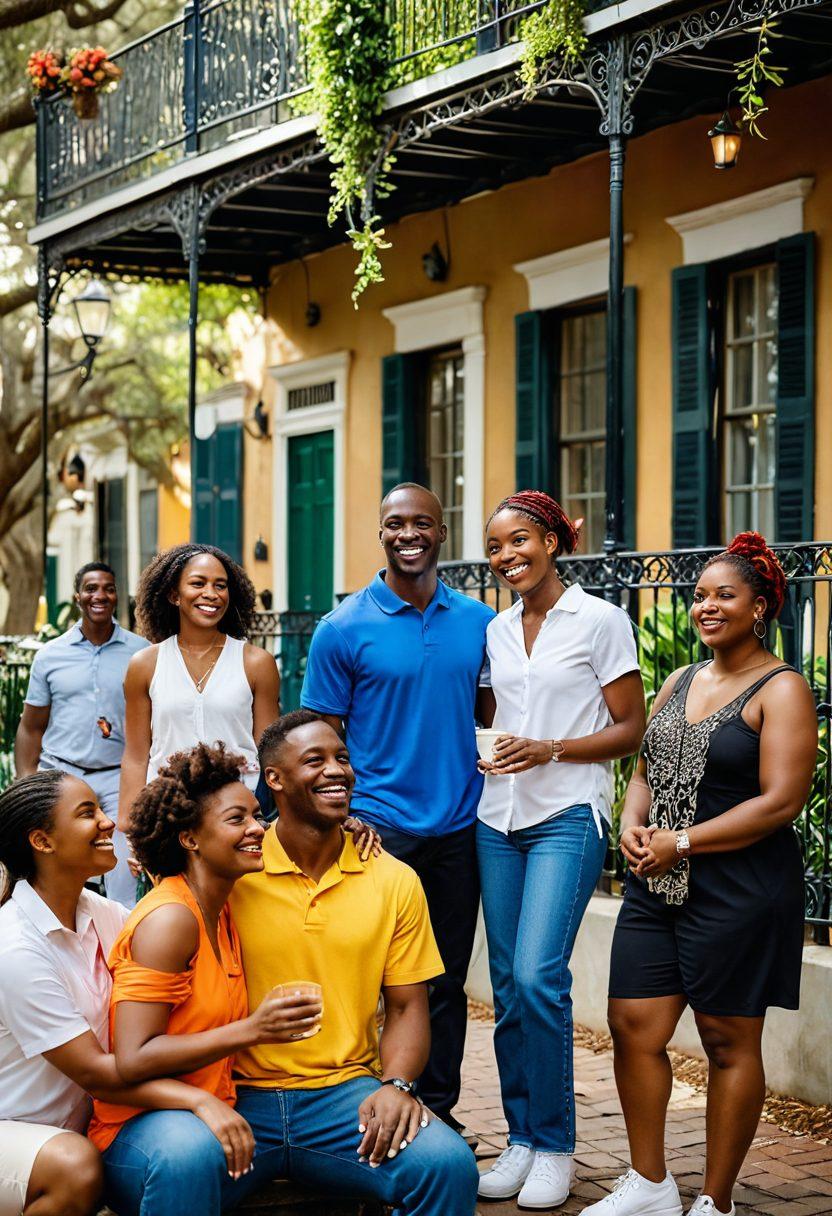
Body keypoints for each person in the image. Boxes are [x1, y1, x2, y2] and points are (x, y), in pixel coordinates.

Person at [583, 532, 817, 1216]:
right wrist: (633, 821)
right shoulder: (681, 680)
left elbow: (780, 800)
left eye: (725, 595)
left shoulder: (783, 687)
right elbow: (646, 769)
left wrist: (680, 840)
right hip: (657, 885)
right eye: (699, 595)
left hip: (740, 892)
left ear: (761, 606)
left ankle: (715, 1201)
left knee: (726, 1039)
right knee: (632, 1024)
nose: (706, 606)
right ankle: (650, 1184)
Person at [227, 709, 480, 1216]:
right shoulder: (234, 869)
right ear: (273, 778)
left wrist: (398, 1086)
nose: (336, 770)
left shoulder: (393, 879)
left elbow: (409, 1007)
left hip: (346, 1100)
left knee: (447, 1165)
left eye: (342, 758)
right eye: (314, 760)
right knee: (172, 1167)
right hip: (234, 1097)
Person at [300, 482, 494, 1134]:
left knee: (443, 983)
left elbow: (490, 713)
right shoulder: (342, 628)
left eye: (421, 523)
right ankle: (354, 1106)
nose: (407, 534)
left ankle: (435, 1114)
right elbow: (318, 740)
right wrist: (339, 814)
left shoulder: (477, 622)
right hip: (375, 827)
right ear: (380, 532)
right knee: (366, 979)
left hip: (460, 828)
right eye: (394, 523)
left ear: (442, 532)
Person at [475, 490, 646, 1209]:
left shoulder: (600, 620)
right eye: (495, 547)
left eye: (519, 541)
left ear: (551, 540)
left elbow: (630, 726)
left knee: (541, 977)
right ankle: (520, 1138)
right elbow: (491, 711)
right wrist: (492, 746)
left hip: (567, 814)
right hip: (497, 818)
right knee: (509, 987)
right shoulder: (497, 629)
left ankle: (554, 1146)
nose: (508, 556)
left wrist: (547, 748)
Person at [0, 770, 253, 1216]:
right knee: (74, 1168)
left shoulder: (101, 912)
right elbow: (98, 1073)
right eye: (86, 813)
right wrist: (197, 1098)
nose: (108, 822)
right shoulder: (16, 947)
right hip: (16, 1129)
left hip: (80, 1124)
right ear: (42, 841)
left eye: (101, 808)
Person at [89, 742, 323, 1216]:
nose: (258, 829)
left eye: (258, 816)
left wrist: (351, 827)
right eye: (237, 820)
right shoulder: (172, 919)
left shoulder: (223, 904)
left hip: (211, 1106)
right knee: (190, 1154)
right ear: (190, 839)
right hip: (139, 1128)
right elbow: (133, 1058)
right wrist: (254, 1030)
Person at [118, 544, 280, 831]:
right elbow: (135, 756)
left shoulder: (257, 663)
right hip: (167, 813)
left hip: (240, 814)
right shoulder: (144, 664)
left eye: (221, 585)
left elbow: (269, 752)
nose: (211, 594)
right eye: (198, 583)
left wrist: (272, 818)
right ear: (173, 595)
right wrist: (131, 827)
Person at [14, 562, 149, 907]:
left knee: (122, 872)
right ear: (78, 596)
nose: (99, 595)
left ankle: (122, 948)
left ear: (117, 595)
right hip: (62, 773)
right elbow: (31, 726)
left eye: (108, 588)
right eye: (91, 588)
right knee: (56, 866)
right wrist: (27, 781)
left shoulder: (141, 652)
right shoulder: (50, 656)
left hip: (120, 775)